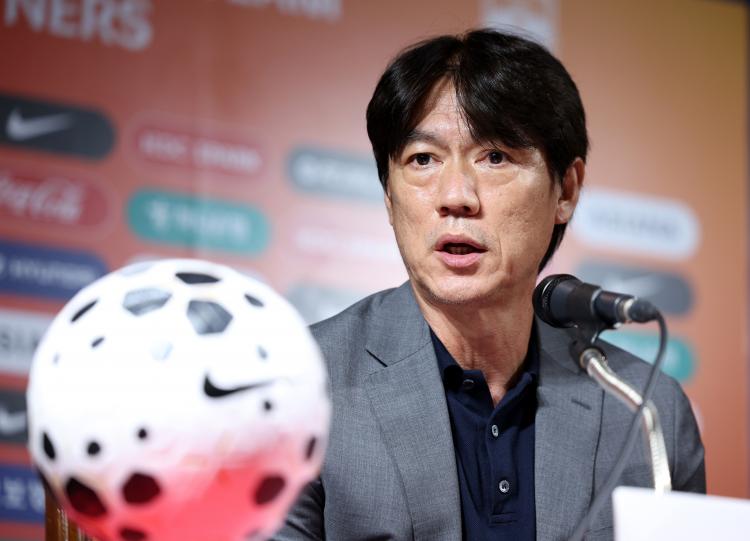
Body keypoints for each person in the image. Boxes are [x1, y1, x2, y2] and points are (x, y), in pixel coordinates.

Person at [273, 28, 705, 541]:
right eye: (422, 159)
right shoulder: (298, 387)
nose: (456, 196)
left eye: (495, 156)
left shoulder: (647, 411)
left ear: (565, 190)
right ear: (389, 196)